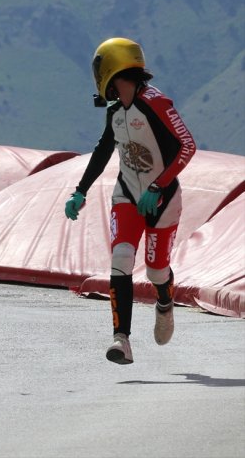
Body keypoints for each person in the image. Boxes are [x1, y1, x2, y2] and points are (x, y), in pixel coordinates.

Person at [64, 37, 196, 364]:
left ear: (110, 68)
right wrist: (80, 191)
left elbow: (187, 146)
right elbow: (102, 151)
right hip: (126, 194)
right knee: (121, 257)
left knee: (155, 271)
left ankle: (164, 302)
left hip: (162, 199)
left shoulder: (156, 103)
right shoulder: (114, 112)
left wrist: (159, 187)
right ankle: (120, 339)